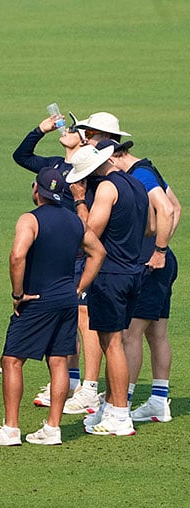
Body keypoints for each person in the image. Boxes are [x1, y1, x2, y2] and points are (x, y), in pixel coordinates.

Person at [0, 168, 105, 447]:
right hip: (67, 298)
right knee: (58, 361)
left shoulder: (30, 219)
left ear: (37, 190)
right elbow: (99, 252)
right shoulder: (74, 221)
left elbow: (17, 255)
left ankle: (11, 429)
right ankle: (52, 428)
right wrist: (80, 286)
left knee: (12, 360)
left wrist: (18, 293)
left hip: (37, 299)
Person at [12, 110, 100, 410]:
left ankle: (89, 386)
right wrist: (41, 128)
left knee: (85, 317)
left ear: (85, 139)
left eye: (73, 129)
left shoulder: (89, 168)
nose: (66, 128)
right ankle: (71, 379)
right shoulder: (53, 165)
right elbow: (21, 156)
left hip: (79, 250)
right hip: (58, 254)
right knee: (69, 317)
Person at [66, 141, 149, 436]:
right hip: (133, 271)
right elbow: (150, 226)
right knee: (116, 342)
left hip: (110, 274)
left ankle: (120, 415)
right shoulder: (137, 183)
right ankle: (112, 406)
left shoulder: (106, 189)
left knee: (111, 344)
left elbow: (89, 232)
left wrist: (79, 202)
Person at [112, 141, 180, 423]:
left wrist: (158, 250)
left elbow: (166, 209)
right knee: (156, 333)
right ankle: (158, 401)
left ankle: (121, 404)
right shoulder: (148, 169)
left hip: (152, 265)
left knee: (130, 334)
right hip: (160, 263)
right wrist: (162, 246)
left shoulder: (140, 174)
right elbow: (176, 207)